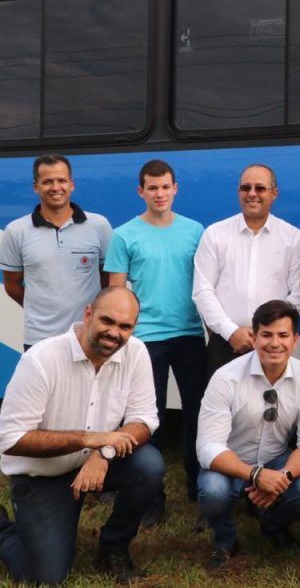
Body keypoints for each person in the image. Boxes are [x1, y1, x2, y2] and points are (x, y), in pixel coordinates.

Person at [0, 287, 163, 585]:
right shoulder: (42, 359)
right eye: (107, 321)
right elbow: (10, 439)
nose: (114, 332)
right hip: (43, 476)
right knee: (44, 579)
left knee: (149, 465)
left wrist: (104, 453)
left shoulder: (136, 352)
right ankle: (2, 528)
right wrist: (89, 440)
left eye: (125, 326)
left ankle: (113, 546)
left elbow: (144, 420)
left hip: (97, 464)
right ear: (88, 314)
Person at [105, 159, 206, 528]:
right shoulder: (124, 235)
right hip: (146, 340)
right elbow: (115, 293)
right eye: (152, 187)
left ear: (175, 188)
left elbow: (207, 285)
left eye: (165, 186)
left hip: (191, 335)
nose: (159, 193)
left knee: (199, 414)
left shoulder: (196, 231)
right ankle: (153, 496)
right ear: (141, 191)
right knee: (151, 418)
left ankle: (198, 488)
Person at [196, 300, 300, 574]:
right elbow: (208, 447)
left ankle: (273, 524)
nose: (274, 343)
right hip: (232, 462)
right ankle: (225, 541)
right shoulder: (225, 378)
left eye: (283, 335)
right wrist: (255, 476)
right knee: (213, 490)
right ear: (253, 337)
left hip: (276, 460)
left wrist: (282, 478)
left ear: (296, 340)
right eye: (266, 335)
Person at [192, 163, 300, 374]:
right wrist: (231, 332)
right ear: (239, 192)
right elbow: (202, 291)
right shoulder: (215, 234)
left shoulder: (292, 238)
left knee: (273, 405)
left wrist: (267, 331)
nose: (252, 194)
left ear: (274, 194)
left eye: (260, 188)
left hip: (274, 346)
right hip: (226, 344)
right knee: (222, 407)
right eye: (246, 188)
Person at [0, 155, 112, 349]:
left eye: (62, 180)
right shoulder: (16, 231)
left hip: (88, 335)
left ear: (72, 185)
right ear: (36, 187)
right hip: (39, 340)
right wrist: (40, 311)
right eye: (47, 182)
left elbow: (108, 279)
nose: (55, 187)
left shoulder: (99, 225)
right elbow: (12, 285)